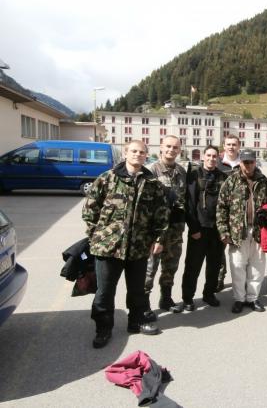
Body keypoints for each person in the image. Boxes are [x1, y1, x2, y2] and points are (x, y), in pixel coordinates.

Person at [82, 140, 169, 348]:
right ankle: (103, 329)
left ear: (146, 155)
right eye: (134, 151)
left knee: (137, 290)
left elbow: (161, 214)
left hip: (138, 247)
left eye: (142, 152)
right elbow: (90, 209)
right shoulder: (108, 178)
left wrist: (158, 239)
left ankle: (136, 321)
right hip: (108, 248)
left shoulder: (153, 183)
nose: (138, 154)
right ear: (125, 153)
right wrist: (97, 236)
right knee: (105, 292)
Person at [216, 149, 267, 313]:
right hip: (237, 232)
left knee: (257, 266)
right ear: (240, 162)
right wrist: (223, 231)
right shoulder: (231, 181)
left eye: (251, 162)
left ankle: (252, 298)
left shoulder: (264, 181)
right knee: (237, 266)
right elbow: (221, 207)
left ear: (255, 162)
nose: (248, 165)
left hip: (258, 231)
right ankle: (239, 299)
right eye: (245, 162)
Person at [178, 145, 229, 311]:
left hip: (217, 230)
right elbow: (189, 203)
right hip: (199, 229)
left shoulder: (223, 177)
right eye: (208, 155)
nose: (211, 159)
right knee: (193, 266)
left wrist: (224, 230)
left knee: (214, 265)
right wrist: (194, 229)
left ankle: (209, 294)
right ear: (203, 157)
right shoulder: (195, 175)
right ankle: (187, 298)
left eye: (214, 156)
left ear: (218, 158)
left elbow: (227, 204)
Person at [144, 135, 187, 314]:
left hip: (175, 230)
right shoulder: (150, 171)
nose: (171, 150)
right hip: (155, 232)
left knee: (171, 267)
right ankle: (143, 306)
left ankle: (166, 299)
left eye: (175, 147)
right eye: (168, 146)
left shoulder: (181, 171)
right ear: (161, 147)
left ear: (179, 150)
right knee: (149, 269)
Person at [215, 134, 241, 291]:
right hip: (221, 213)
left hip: (239, 216)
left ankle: (240, 281)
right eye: (228, 144)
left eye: (234, 144)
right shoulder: (217, 163)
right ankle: (219, 278)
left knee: (240, 252)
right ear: (224, 146)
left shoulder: (245, 162)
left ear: (239, 146)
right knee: (219, 250)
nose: (231, 147)